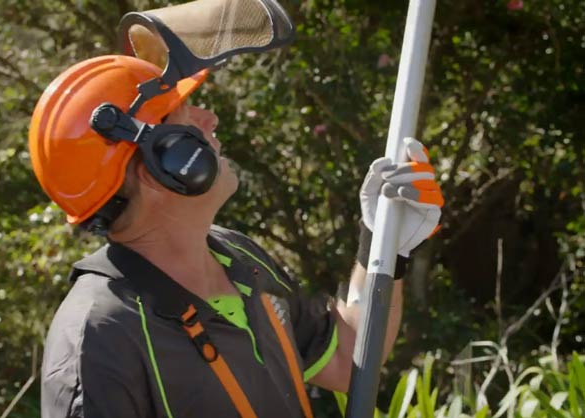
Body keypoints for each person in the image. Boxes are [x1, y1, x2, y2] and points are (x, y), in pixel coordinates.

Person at [28, 55, 443, 418]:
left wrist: (384, 247)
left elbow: (347, 360)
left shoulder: (238, 256)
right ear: (160, 162)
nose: (210, 118)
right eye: (186, 115)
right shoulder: (98, 338)